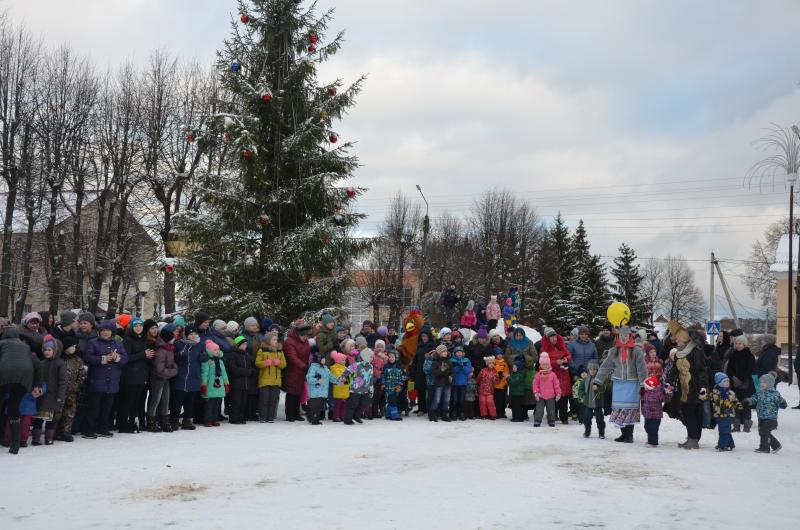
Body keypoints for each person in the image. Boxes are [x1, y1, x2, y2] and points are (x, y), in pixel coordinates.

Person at [593, 325, 647, 443]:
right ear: (618, 336)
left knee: (629, 410)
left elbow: (642, 369)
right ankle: (623, 434)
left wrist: (643, 384)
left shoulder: (637, 351)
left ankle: (629, 435)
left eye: (626, 335)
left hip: (632, 384)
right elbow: (605, 367)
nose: (624, 337)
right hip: (618, 384)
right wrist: (597, 381)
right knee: (620, 410)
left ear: (630, 336)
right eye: (621, 335)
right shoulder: (614, 351)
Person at [83, 319, 128, 439]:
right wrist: (102, 359)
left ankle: (103, 428)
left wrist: (117, 357)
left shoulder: (118, 343)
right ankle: (89, 429)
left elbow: (125, 358)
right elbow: (88, 357)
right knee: (94, 407)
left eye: (107, 330)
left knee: (107, 408)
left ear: (112, 332)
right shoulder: (93, 343)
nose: (105, 332)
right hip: (96, 380)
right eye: (103, 330)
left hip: (112, 381)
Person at [666, 323, 709, 449]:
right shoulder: (680, 352)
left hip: (695, 387)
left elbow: (702, 371)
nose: (676, 340)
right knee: (686, 412)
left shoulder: (696, 352)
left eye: (678, 339)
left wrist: (703, 387)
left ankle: (694, 440)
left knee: (692, 413)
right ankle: (691, 437)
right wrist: (669, 381)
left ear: (685, 339)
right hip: (684, 387)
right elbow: (675, 370)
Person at [0, 328, 42, 454]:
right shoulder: (25, 347)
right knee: (14, 409)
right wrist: (37, 385)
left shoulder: (2, 344)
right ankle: (15, 443)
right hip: (24, 379)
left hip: (4, 375)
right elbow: (39, 366)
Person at [119, 317, 152, 433]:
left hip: (141, 376)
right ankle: (123, 424)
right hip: (130, 376)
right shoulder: (127, 339)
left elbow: (144, 356)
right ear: (132, 327)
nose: (138, 328)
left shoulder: (143, 339)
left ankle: (132, 422)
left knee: (136, 402)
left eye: (140, 326)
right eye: (136, 326)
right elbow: (126, 358)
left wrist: (149, 356)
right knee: (128, 401)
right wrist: (143, 354)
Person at [32, 335, 66, 446]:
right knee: (38, 418)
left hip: (54, 396)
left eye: (49, 350)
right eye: (45, 350)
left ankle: (49, 439)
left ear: (55, 351)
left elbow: (63, 382)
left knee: (52, 419)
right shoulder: (41, 363)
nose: (47, 352)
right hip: (41, 395)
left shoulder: (60, 363)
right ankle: (35, 439)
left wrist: (60, 396)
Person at [171, 324, 204, 430]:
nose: (193, 336)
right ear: (186, 334)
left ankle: (187, 420)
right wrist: (181, 352)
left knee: (190, 401)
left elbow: (203, 358)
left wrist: (204, 356)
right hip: (181, 377)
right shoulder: (179, 344)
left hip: (194, 377)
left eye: (195, 333)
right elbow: (175, 358)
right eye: (191, 334)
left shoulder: (199, 344)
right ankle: (174, 420)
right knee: (178, 401)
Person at [745, 374, 787, 453]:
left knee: (763, 432)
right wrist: (748, 401)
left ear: (770, 384)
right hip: (761, 417)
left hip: (771, 418)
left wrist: (783, 403)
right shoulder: (760, 393)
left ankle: (764, 448)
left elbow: (781, 400)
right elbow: (754, 398)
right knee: (764, 432)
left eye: (764, 382)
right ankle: (776, 445)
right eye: (761, 382)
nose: (761, 384)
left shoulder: (775, 394)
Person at [540, 327, 572, 424]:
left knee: (564, 397)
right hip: (553, 376)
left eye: (555, 337)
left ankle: (564, 417)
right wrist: (555, 362)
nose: (554, 339)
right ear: (548, 338)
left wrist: (566, 359)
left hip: (564, 375)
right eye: (551, 337)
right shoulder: (544, 349)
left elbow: (569, 355)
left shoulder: (561, 345)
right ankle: (552, 417)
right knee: (553, 398)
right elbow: (543, 363)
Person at [54, 336, 84, 442]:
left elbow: (81, 375)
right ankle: (54, 431)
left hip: (72, 391)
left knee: (69, 412)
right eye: (72, 346)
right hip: (59, 392)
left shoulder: (77, 360)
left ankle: (65, 432)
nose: (74, 348)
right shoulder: (58, 359)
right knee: (57, 412)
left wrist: (76, 385)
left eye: (75, 346)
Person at [725, 335, 756, 432]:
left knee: (746, 404)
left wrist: (741, 380)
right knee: (735, 404)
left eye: (740, 343)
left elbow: (750, 370)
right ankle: (736, 425)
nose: (738, 345)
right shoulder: (733, 355)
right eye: (736, 343)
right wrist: (734, 379)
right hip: (734, 384)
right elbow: (729, 369)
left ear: (744, 344)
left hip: (746, 385)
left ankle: (747, 426)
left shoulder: (750, 356)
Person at [283, 320, 311, 422]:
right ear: (298, 334)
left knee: (299, 392)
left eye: (306, 335)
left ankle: (296, 413)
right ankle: (289, 414)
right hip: (292, 370)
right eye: (303, 335)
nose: (305, 337)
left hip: (302, 370)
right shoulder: (289, 342)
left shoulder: (305, 341)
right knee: (291, 393)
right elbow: (292, 357)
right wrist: (303, 366)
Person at [255, 333, 286, 423]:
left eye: (276, 340)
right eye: (274, 340)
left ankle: (270, 417)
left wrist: (279, 363)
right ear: (268, 340)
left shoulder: (280, 351)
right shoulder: (262, 350)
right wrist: (265, 363)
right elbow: (257, 363)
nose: (276, 341)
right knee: (264, 399)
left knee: (273, 400)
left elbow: (284, 364)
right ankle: (262, 417)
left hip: (276, 380)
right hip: (265, 380)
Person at [708, 372, 741, 452]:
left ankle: (722, 445)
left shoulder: (731, 393)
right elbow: (707, 397)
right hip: (719, 415)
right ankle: (730, 444)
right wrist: (702, 394)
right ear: (719, 383)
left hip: (728, 415)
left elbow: (736, 401)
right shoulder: (714, 392)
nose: (727, 383)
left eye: (728, 381)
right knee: (724, 430)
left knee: (724, 430)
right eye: (725, 381)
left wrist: (739, 405)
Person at [227, 336, 256, 425]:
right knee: (236, 401)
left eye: (246, 344)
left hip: (245, 382)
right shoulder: (233, 355)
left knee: (243, 401)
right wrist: (247, 372)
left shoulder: (246, 355)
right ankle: (234, 418)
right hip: (236, 383)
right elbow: (234, 369)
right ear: (238, 345)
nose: (245, 346)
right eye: (243, 344)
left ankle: (241, 416)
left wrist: (251, 371)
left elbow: (251, 366)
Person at [200, 340, 229, 427]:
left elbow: (224, 373)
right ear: (210, 351)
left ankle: (215, 419)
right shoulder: (207, 361)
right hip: (210, 386)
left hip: (219, 386)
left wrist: (226, 384)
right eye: (215, 350)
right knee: (209, 405)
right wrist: (203, 385)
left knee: (217, 405)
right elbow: (204, 373)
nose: (217, 351)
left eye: (218, 350)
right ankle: (208, 420)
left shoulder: (220, 361)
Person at [341, 348, 373, 425]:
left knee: (365, 403)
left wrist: (371, 387)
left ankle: (356, 416)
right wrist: (343, 378)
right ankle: (347, 419)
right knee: (353, 404)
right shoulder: (356, 365)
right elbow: (347, 370)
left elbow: (370, 377)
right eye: (371, 357)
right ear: (366, 357)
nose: (372, 358)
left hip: (365, 389)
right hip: (355, 389)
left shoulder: (370, 366)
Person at [574, 360, 605, 438]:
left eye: (594, 369)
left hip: (597, 403)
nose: (592, 371)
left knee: (599, 419)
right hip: (588, 403)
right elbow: (580, 389)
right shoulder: (585, 380)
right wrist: (583, 396)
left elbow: (603, 389)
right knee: (586, 417)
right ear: (588, 370)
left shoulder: (600, 379)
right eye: (590, 369)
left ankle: (601, 432)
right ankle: (587, 430)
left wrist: (597, 388)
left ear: (597, 370)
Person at [305, 350, 337, 425]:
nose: (324, 360)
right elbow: (309, 378)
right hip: (315, 392)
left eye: (324, 358)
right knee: (315, 407)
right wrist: (317, 380)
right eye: (322, 358)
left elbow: (331, 377)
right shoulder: (313, 367)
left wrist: (339, 381)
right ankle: (314, 420)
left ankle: (313, 417)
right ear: (318, 359)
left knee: (319, 407)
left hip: (323, 392)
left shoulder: (326, 368)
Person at [641, 375, 671, 447]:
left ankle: (653, 443)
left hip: (656, 415)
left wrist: (668, 393)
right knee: (647, 427)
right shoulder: (645, 391)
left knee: (653, 429)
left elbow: (665, 399)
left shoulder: (658, 392)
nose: (645, 387)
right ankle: (650, 440)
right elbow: (642, 399)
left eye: (646, 385)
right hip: (647, 414)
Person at [533, 352, 560, 427]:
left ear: (549, 365)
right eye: (543, 364)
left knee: (551, 409)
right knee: (539, 409)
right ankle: (537, 421)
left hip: (551, 396)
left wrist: (558, 393)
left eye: (546, 364)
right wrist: (536, 392)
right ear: (541, 365)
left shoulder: (552, 374)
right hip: (540, 395)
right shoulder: (538, 374)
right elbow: (535, 384)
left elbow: (556, 385)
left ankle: (551, 421)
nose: (545, 366)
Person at [428, 344, 453, 422]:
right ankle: (432, 414)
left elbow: (452, 372)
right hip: (439, 384)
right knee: (437, 399)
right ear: (439, 353)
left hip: (447, 384)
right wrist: (441, 371)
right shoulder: (435, 362)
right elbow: (433, 373)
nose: (445, 353)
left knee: (446, 399)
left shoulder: (449, 361)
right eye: (443, 351)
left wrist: (451, 377)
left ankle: (444, 414)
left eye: (445, 351)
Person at [382, 350, 408, 421]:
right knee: (392, 400)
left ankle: (388, 414)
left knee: (392, 400)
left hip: (397, 387)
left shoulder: (400, 366)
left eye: (392, 357)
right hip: (388, 387)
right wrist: (383, 384)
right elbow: (383, 375)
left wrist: (400, 385)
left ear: (396, 357)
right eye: (389, 357)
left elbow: (404, 376)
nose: (390, 358)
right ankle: (395, 415)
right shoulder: (386, 366)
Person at [450, 345, 473, 421]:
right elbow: (452, 371)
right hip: (454, 383)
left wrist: (463, 366)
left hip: (463, 383)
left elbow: (468, 371)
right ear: (455, 353)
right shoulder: (452, 360)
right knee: (454, 399)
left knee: (461, 399)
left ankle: (461, 413)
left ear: (463, 353)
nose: (459, 353)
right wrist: (458, 366)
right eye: (458, 352)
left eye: (460, 352)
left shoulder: (466, 360)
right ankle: (453, 413)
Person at [476, 356, 500, 420]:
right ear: (487, 364)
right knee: (482, 402)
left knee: (490, 402)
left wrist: (495, 379)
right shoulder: (483, 370)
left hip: (490, 390)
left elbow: (497, 382)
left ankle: (492, 415)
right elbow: (478, 379)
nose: (491, 364)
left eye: (492, 363)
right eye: (490, 363)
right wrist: (476, 383)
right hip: (482, 390)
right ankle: (484, 415)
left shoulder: (494, 371)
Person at [492, 346, 509, 418]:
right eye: (497, 354)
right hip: (496, 385)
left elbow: (506, 373)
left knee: (503, 400)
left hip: (503, 385)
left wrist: (506, 383)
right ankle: (497, 412)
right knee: (497, 400)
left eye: (500, 354)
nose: (499, 355)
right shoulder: (493, 363)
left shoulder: (505, 363)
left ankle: (502, 412)